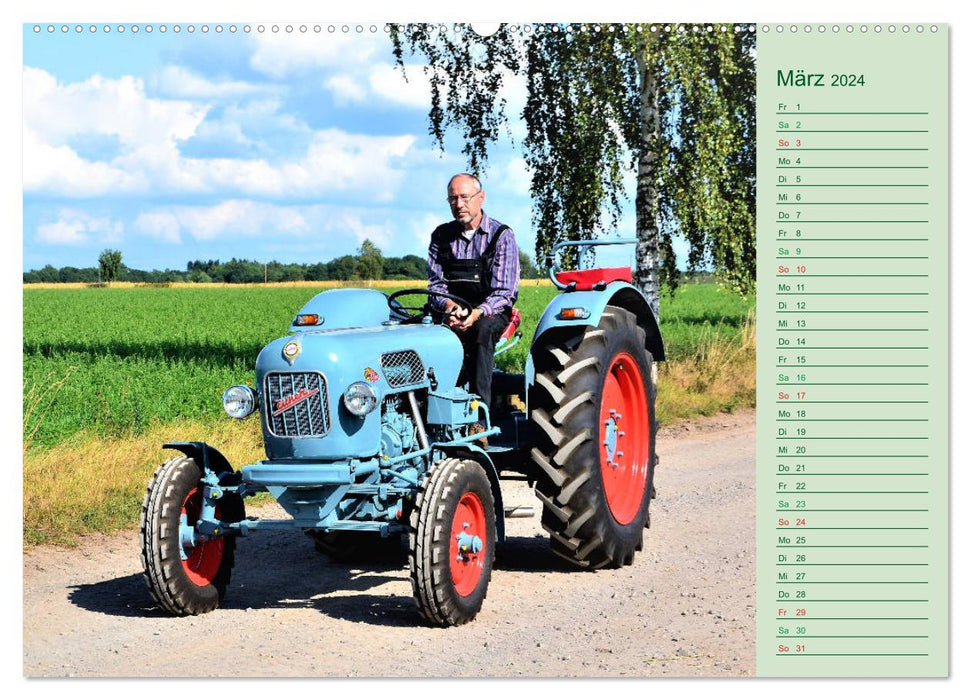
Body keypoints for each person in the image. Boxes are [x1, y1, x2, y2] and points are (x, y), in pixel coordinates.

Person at [427, 173, 520, 436]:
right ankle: (429, 412)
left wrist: (476, 313)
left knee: (480, 334)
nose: (459, 204)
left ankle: (479, 420)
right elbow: (435, 286)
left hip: (490, 311)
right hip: (452, 311)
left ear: (481, 198)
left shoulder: (501, 236)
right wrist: (448, 307)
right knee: (424, 336)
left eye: (465, 197)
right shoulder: (441, 236)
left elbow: (505, 291)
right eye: (453, 199)